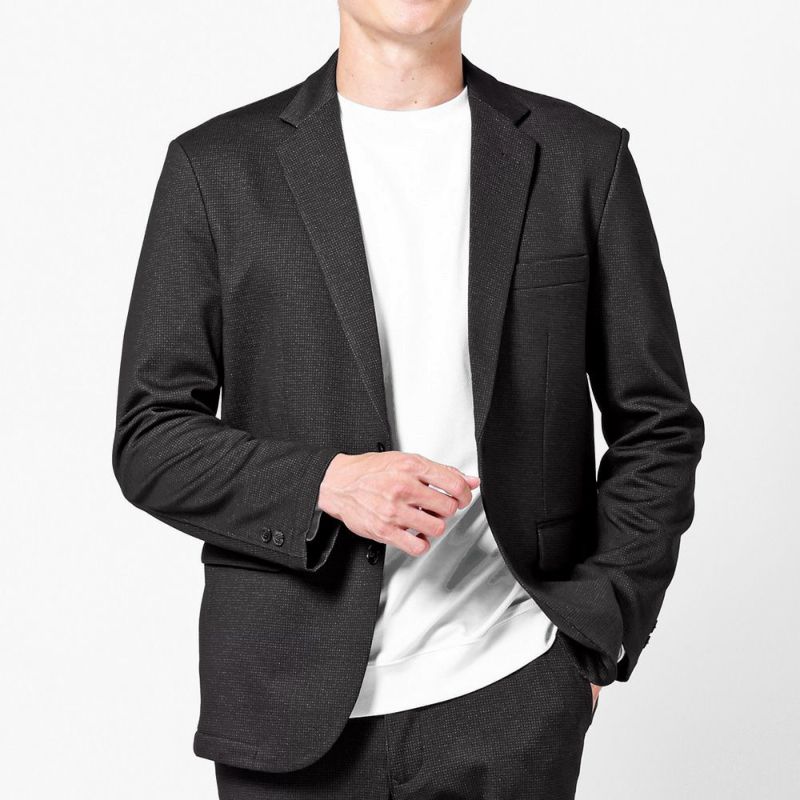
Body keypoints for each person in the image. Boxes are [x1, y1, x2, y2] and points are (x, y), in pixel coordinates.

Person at [113, 1, 705, 797]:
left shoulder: (581, 159)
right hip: (286, 704)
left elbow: (658, 423)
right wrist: (328, 484)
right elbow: (150, 437)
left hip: (510, 688)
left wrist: (594, 639)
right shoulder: (217, 170)